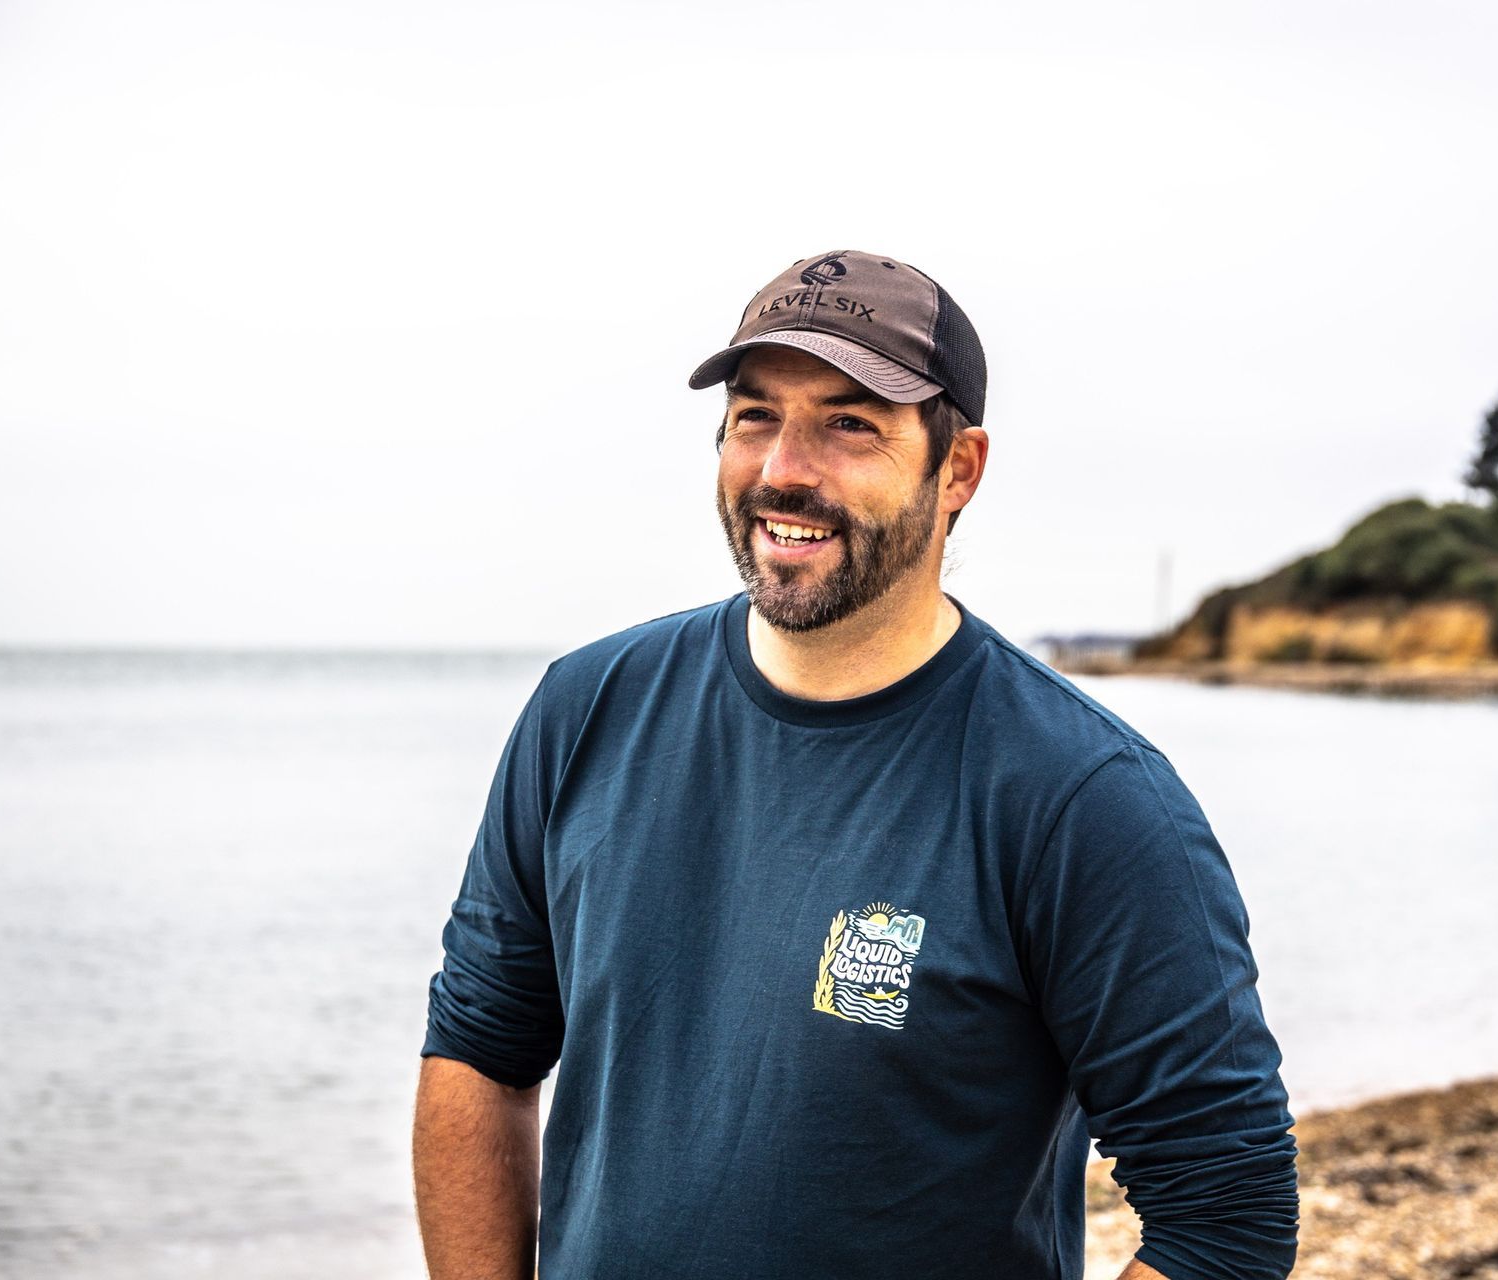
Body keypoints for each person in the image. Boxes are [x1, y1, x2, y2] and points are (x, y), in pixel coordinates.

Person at [414, 250, 1298, 1280]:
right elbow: (480, 1050)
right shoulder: (587, 709)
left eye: (850, 422)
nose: (786, 467)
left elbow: (1225, 1214)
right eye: (755, 415)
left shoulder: (1079, 795)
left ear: (958, 468)